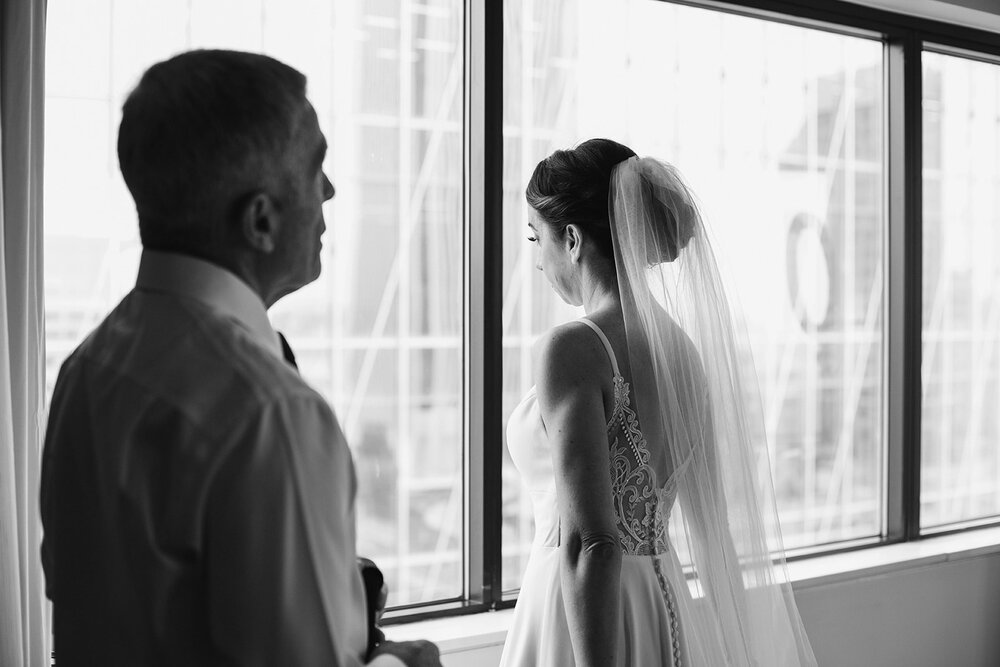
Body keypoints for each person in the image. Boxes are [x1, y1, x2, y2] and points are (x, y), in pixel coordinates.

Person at [39, 49, 440, 667]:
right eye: (316, 168)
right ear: (260, 220)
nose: (330, 191)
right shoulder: (268, 413)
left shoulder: (88, 369)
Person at [500, 138, 817, 666]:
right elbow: (712, 526)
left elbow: (590, 544)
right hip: (659, 603)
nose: (537, 261)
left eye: (538, 239)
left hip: (581, 618)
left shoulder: (573, 348)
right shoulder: (684, 356)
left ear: (573, 238)